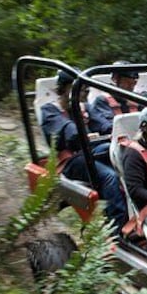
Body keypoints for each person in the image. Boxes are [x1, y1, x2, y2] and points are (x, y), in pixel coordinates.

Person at [40, 70, 128, 227]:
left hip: (92, 152)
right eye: (79, 89)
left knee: (128, 160)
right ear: (65, 89)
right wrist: (86, 132)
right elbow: (70, 133)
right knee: (110, 177)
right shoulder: (50, 110)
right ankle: (119, 227)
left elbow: (104, 124)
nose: (84, 92)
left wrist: (119, 128)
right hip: (71, 160)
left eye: (85, 88)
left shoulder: (85, 107)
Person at [88, 60, 141, 135]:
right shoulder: (102, 101)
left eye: (133, 83)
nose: (131, 86)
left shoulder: (137, 99)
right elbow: (107, 126)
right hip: (114, 141)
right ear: (115, 79)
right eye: (127, 82)